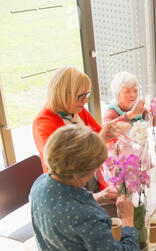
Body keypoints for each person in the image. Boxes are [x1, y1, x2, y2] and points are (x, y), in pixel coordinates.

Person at [30, 125, 140, 251]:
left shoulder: (40, 184)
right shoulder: (85, 217)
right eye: (95, 168)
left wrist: (98, 197)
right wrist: (127, 220)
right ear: (77, 175)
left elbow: (65, 208)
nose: (95, 172)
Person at [32, 66, 122, 208]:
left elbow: (105, 136)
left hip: (92, 181)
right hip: (68, 194)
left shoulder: (78, 111)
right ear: (64, 94)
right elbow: (66, 164)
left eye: (87, 94)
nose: (86, 100)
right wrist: (101, 139)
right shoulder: (43, 122)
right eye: (81, 96)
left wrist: (114, 131)